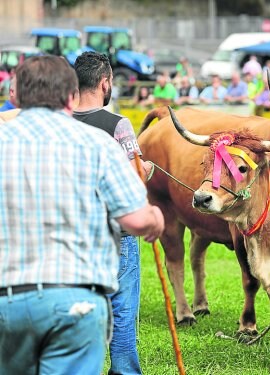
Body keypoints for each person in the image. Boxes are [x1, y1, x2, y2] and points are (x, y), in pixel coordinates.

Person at [0, 55, 164, 375]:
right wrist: (155, 218)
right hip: (76, 298)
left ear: (18, 94)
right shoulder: (99, 142)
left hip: (9, 298)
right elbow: (135, 218)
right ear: (70, 95)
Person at [73, 51, 154, 375]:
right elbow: (134, 177)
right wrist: (145, 169)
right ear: (106, 83)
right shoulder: (116, 125)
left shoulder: (60, 122)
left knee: (79, 311)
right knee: (121, 311)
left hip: (73, 233)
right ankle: (124, 370)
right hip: (116, 234)